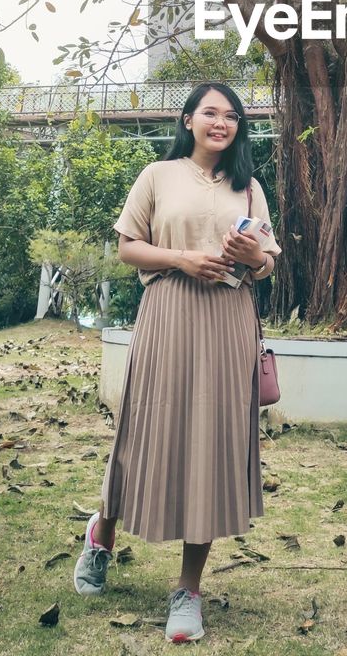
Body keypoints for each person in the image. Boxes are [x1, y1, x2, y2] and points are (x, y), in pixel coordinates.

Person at [73, 82, 281, 643]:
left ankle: (188, 589)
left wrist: (251, 256)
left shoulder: (249, 187)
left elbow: (266, 262)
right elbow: (127, 247)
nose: (221, 122)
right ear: (188, 120)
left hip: (228, 321)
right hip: (168, 311)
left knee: (212, 444)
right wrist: (183, 259)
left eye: (231, 116)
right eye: (210, 113)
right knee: (143, 431)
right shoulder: (156, 176)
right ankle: (102, 535)